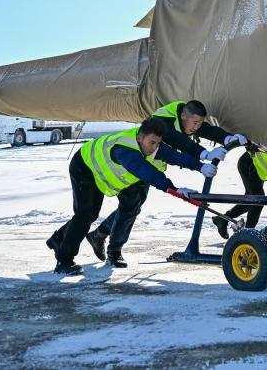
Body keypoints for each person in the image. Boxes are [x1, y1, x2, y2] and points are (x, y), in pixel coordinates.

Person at [80, 99, 244, 264]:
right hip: (140, 168)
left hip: (148, 170)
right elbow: (179, 143)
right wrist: (203, 156)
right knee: (130, 207)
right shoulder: (162, 122)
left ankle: (99, 234)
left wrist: (227, 138)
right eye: (194, 123)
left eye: (198, 124)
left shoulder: (186, 119)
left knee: (132, 207)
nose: (196, 128)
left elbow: (205, 130)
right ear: (184, 116)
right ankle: (113, 250)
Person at [46, 117, 206, 275]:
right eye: (152, 143)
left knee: (105, 212)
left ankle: (60, 239)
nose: (154, 148)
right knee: (85, 215)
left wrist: (201, 166)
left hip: (101, 172)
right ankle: (64, 260)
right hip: (84, 167)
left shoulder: (150, 142)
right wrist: (173, 188)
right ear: (140, 137)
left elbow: (174, 156)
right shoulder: (125, 150)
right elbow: (146, 171)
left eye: (157, 143)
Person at [213, 146, 267, 239]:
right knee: (258, 200)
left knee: (252, 200)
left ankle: (222, 219)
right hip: (250, 164)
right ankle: (248, 235)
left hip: (256, 168)